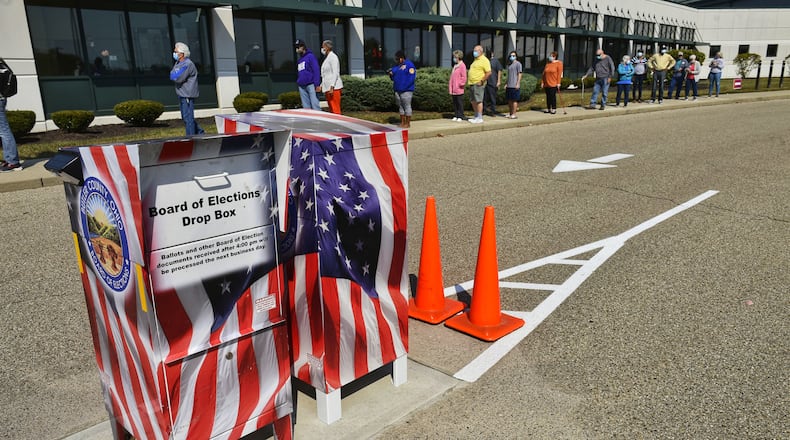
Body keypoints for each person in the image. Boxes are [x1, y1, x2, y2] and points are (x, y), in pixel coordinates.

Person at [169, 42, 204, 136]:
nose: (174, 53)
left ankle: (190, 137)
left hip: (187, 94)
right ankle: (200, 132)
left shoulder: (187, 64)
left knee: (188, 118)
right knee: (185, 117)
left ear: (182, 53)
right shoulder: (178, 63)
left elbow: (178, 78)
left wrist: (175, 75)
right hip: (181, 94)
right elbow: (172, 75)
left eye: (176, 52)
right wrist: (174, 75)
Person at [0, 58, 21, 172]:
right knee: (3, 131)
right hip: (2, 98)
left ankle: (13, 162)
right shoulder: (2, 64)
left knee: (4, 131)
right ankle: (9, 159)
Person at [388, 50, 416, 128]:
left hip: (406, 90)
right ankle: (402, 122)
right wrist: (391, 74)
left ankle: (408, 123)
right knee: (400, 106)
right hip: (397, 89)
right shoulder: (396, 67)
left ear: (402, 58)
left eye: (397, 59)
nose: (396, 60)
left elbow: (411, 78)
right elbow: (393, 78)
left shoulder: (410, 65)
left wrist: (404, 87)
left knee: (407, 106)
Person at [317, 40, 343, 114]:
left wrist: (332, 86)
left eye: (323, 46)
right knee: (331, 109)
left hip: (334, 88)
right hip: (327, 88)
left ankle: (338, 124)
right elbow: (325, 75)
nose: (322, 48)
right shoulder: (327, 58)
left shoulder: (333, 57)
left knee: (335, 109)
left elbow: (335, 73)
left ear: (327, 47)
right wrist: (321, 86)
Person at [467, 45, 491, 124]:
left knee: (478, 100)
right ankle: (476, 116)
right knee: (473, 101)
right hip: (472, 83)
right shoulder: (475, 60)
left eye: (476, 51)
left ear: (480, 51)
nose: (474, 52)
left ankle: (480, 117)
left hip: (478, 83)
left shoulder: (484, 60)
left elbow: (488, 72)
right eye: (474, 50)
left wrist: (482, 81)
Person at [295, 39, 321, 110]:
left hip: (311, 85)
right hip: (302, 86)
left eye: (298, 47)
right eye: (296, 47)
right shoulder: (300, 60)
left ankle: (319, 119)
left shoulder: (310, 56)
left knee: (315, 105)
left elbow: (316, 70)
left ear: (303, 47)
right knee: (306, 108)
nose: (297, 49)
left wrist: (317, 84)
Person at [540, 51, 563, 115]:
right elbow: (544, 74)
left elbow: (559, 74)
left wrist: (558, 83)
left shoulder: (559, 63)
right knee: (548, 96)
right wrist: (542, 82)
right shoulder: (548, 64)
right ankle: (548, 108)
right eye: (550, 56)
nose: (550, 57)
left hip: (553, 83)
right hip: (547, 82)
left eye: (551, 56)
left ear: (555, 57)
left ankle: (554, 108)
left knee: (552, 96)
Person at [448, 49, 467, 121]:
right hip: (453, 89)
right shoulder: (455, 66)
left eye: (455, 57)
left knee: (459, 103)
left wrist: (460, 84)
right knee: (455, 103)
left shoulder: (462, 65)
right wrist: (450, 87)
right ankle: (456, 115)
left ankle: (460, 115)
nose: (454, 58)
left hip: (459, 88)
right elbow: (452, 78)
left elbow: (464, 77)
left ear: (458, 57)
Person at [484, 49, 504, 116]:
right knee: (485, 98)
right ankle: (485, 110)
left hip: (493, 82)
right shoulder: (486, 61)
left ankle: (493, 111)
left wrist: (498, 81)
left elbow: (499, 71)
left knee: (492, 98)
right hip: (486, 82)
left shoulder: (496, 61)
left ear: (492, 53)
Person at [505, 50, 523, 119]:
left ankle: (514, 114)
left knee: (514, 100)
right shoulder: (509, 65)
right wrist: (506, 83)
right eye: (511, 56)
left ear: (516, 56)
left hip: (514, 85)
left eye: (513, 56)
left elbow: (520, 74)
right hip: (509, 85)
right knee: (509, 100)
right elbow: (509, 75)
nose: (512, 57)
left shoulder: (518, 64)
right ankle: (510, 113)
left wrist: (518, 83)